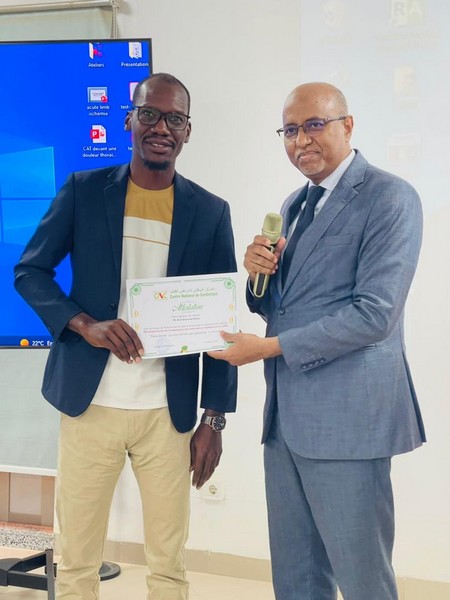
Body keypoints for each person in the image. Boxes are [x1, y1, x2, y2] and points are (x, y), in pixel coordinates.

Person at [14, 73, 237, 600]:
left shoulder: (210, 212)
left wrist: (213, 418)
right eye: (150, 115)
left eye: (175, 119)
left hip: (168, 412)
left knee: (168, 566)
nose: (162, 128)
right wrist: (83, 324)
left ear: (187, 131)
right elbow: (30, 272)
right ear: (129, 120)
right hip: (90, 405)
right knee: (76, 563)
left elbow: (221, 321)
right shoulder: (84, 191)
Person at [209, 82, 425, 600]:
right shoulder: (295, 204)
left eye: (313, 125)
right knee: (296, 577)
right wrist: (258, 275)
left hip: (348, 422)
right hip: (286, 421)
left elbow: (375, 315)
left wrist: (267, 349)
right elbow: (278, 307)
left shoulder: (390, 197)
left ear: (347, 126)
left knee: (362, 577)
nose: (300, 140)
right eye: (289, 130)